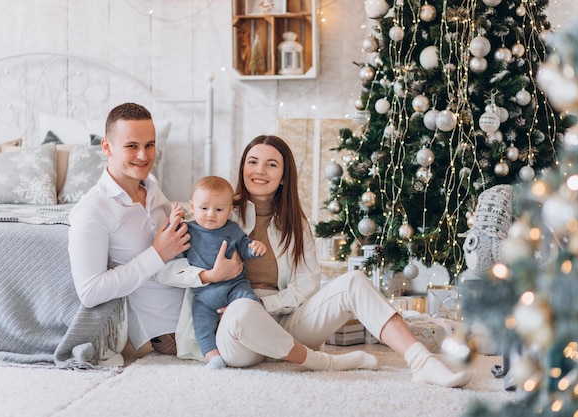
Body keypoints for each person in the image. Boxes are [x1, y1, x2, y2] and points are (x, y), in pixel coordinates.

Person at [166, 135, 470, 387]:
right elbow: (167, 270)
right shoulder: (213, 211)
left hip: (285, 320)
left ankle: (422, 362)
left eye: (271, 164)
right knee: (244, 309)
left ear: (284, 177)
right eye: (252, 162)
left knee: (353, 281)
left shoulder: (294, 223)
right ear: (242, 168)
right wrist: (208, 277)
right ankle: (325, 363)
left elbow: (306, 285)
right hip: (233, 329)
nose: (260, 170)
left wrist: (267, 305)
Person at [68, 102, 241, 357]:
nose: (143, 156)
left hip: (203, 300)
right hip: (174, 331)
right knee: (259, 343)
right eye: (131, 146)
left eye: (149, 145)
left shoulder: (150, 186)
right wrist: (157, 253)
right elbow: (90, 292)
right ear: (106, 147)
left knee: (273, 321)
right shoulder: (92, 210)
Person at [171, 175, 265, 369]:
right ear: (191, 206)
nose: (211, 214)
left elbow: (245, 248)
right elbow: (172, 249)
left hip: (234, 287)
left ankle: (259, 337)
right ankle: (213, 356)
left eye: (219, 209)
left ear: (230, 210)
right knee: (201, 325)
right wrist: (173, 221)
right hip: (205, 294)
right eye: (204, 208)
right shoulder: (188, 230)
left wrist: (255, 249)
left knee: (250, 304)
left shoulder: (233, 229)